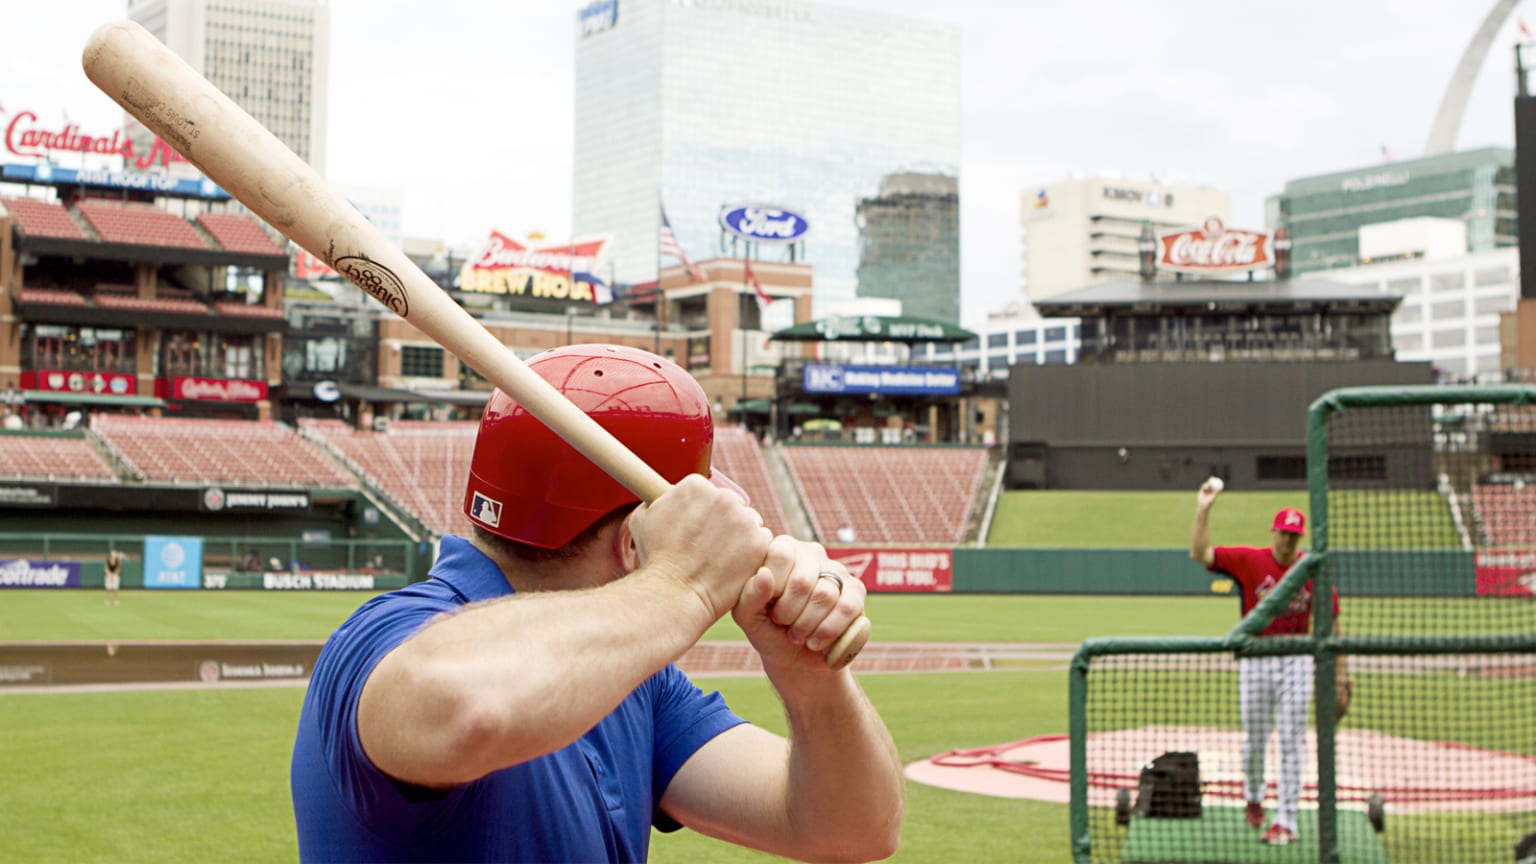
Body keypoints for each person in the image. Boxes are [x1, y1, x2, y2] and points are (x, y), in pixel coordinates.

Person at [290, 344, 903, 863]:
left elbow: (850, 831)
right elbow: (464, 707)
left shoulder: (634, 680)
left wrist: (810, 680)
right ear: (635, 541)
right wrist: (681, 588)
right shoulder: (382, 637)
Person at [1190, 479, 1350, 847]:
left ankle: (1287, 820)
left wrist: (1341, 675)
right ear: (1273, 533)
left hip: (1296, 657)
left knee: (1293, 738)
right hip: (1257, 657)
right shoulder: (1250, 560)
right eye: (1283, 534)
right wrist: (1203, 509)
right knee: (1255, 740)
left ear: (1300, 538)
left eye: (1294, 536)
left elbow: (1335, 622)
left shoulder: (1312, 571)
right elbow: (1201, 554)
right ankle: (1253, 793)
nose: (1288, 541)